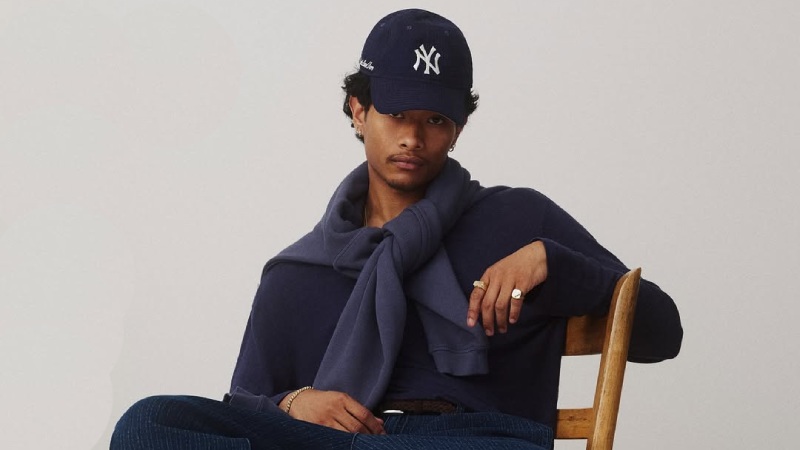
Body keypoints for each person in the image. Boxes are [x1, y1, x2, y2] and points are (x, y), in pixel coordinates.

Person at [111, 8, 682, 450]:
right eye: (397, 114)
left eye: (435, 119)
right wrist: (293, 404)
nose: (413, 137)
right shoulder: (297, 273)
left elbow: (663, 334)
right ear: (359, 111)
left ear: (458, 129)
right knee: (149, 423)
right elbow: (243, 406)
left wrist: (552, 262)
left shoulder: (517, 220)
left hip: (473, 441)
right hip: (339, 442)